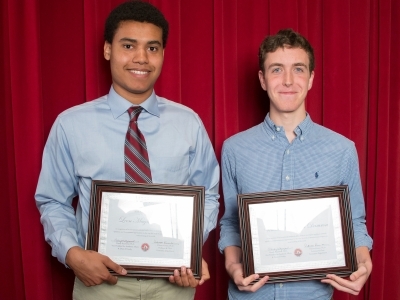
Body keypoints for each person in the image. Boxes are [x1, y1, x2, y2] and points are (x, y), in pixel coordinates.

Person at [35, 1, 219, 299]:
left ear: (162, 54)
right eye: (129, 45)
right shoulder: (71, 124)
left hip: (172, 283)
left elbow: (208, 194)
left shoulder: (189, 123)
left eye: (152, 48)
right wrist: (72, 254)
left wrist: (188, 245)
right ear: (108, 49)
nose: (141, 58)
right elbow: (53, 200)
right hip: (100, 285)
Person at [218, 28, 373, 300]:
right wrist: (233, 267)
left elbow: (354, 222)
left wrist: (363, 261)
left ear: (311, 78)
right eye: (276, 69)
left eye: (298, 69)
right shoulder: (234, 148)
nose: (288, 80)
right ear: (263, 80)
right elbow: (232, 223)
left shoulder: (342, 150)